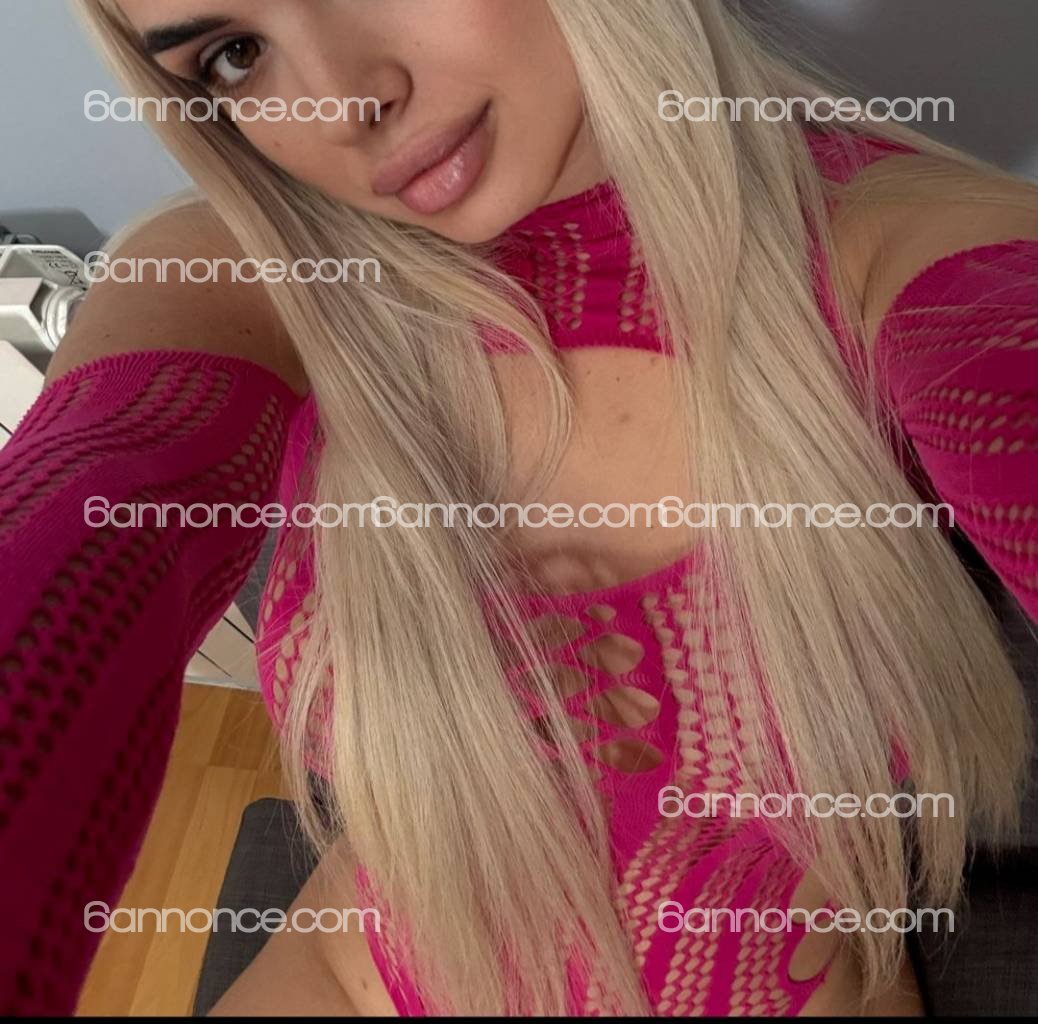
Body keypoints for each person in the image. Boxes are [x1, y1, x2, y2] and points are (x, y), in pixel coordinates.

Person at [2, 0, 1037, 1015]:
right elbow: (82, 516)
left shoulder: (899, 244)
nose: (343, 103)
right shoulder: (252, 274)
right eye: (235, 54)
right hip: (359, 982)